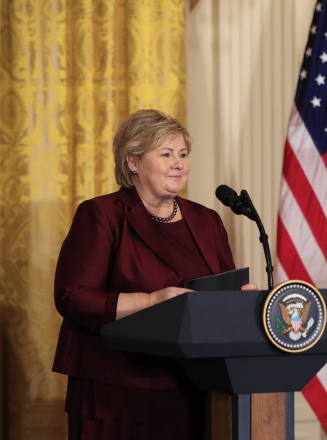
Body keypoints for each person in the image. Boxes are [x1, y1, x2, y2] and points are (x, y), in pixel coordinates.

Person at [52, 109, 256, 440]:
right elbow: (73, 297)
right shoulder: (102, 214)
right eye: (166, 154)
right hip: (117, 387)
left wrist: (238, 302)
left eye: (183, 154)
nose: (179, 163)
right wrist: (153, 300)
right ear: (132, 162)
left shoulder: (207, 220)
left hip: (198, 383)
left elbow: (215, 294)